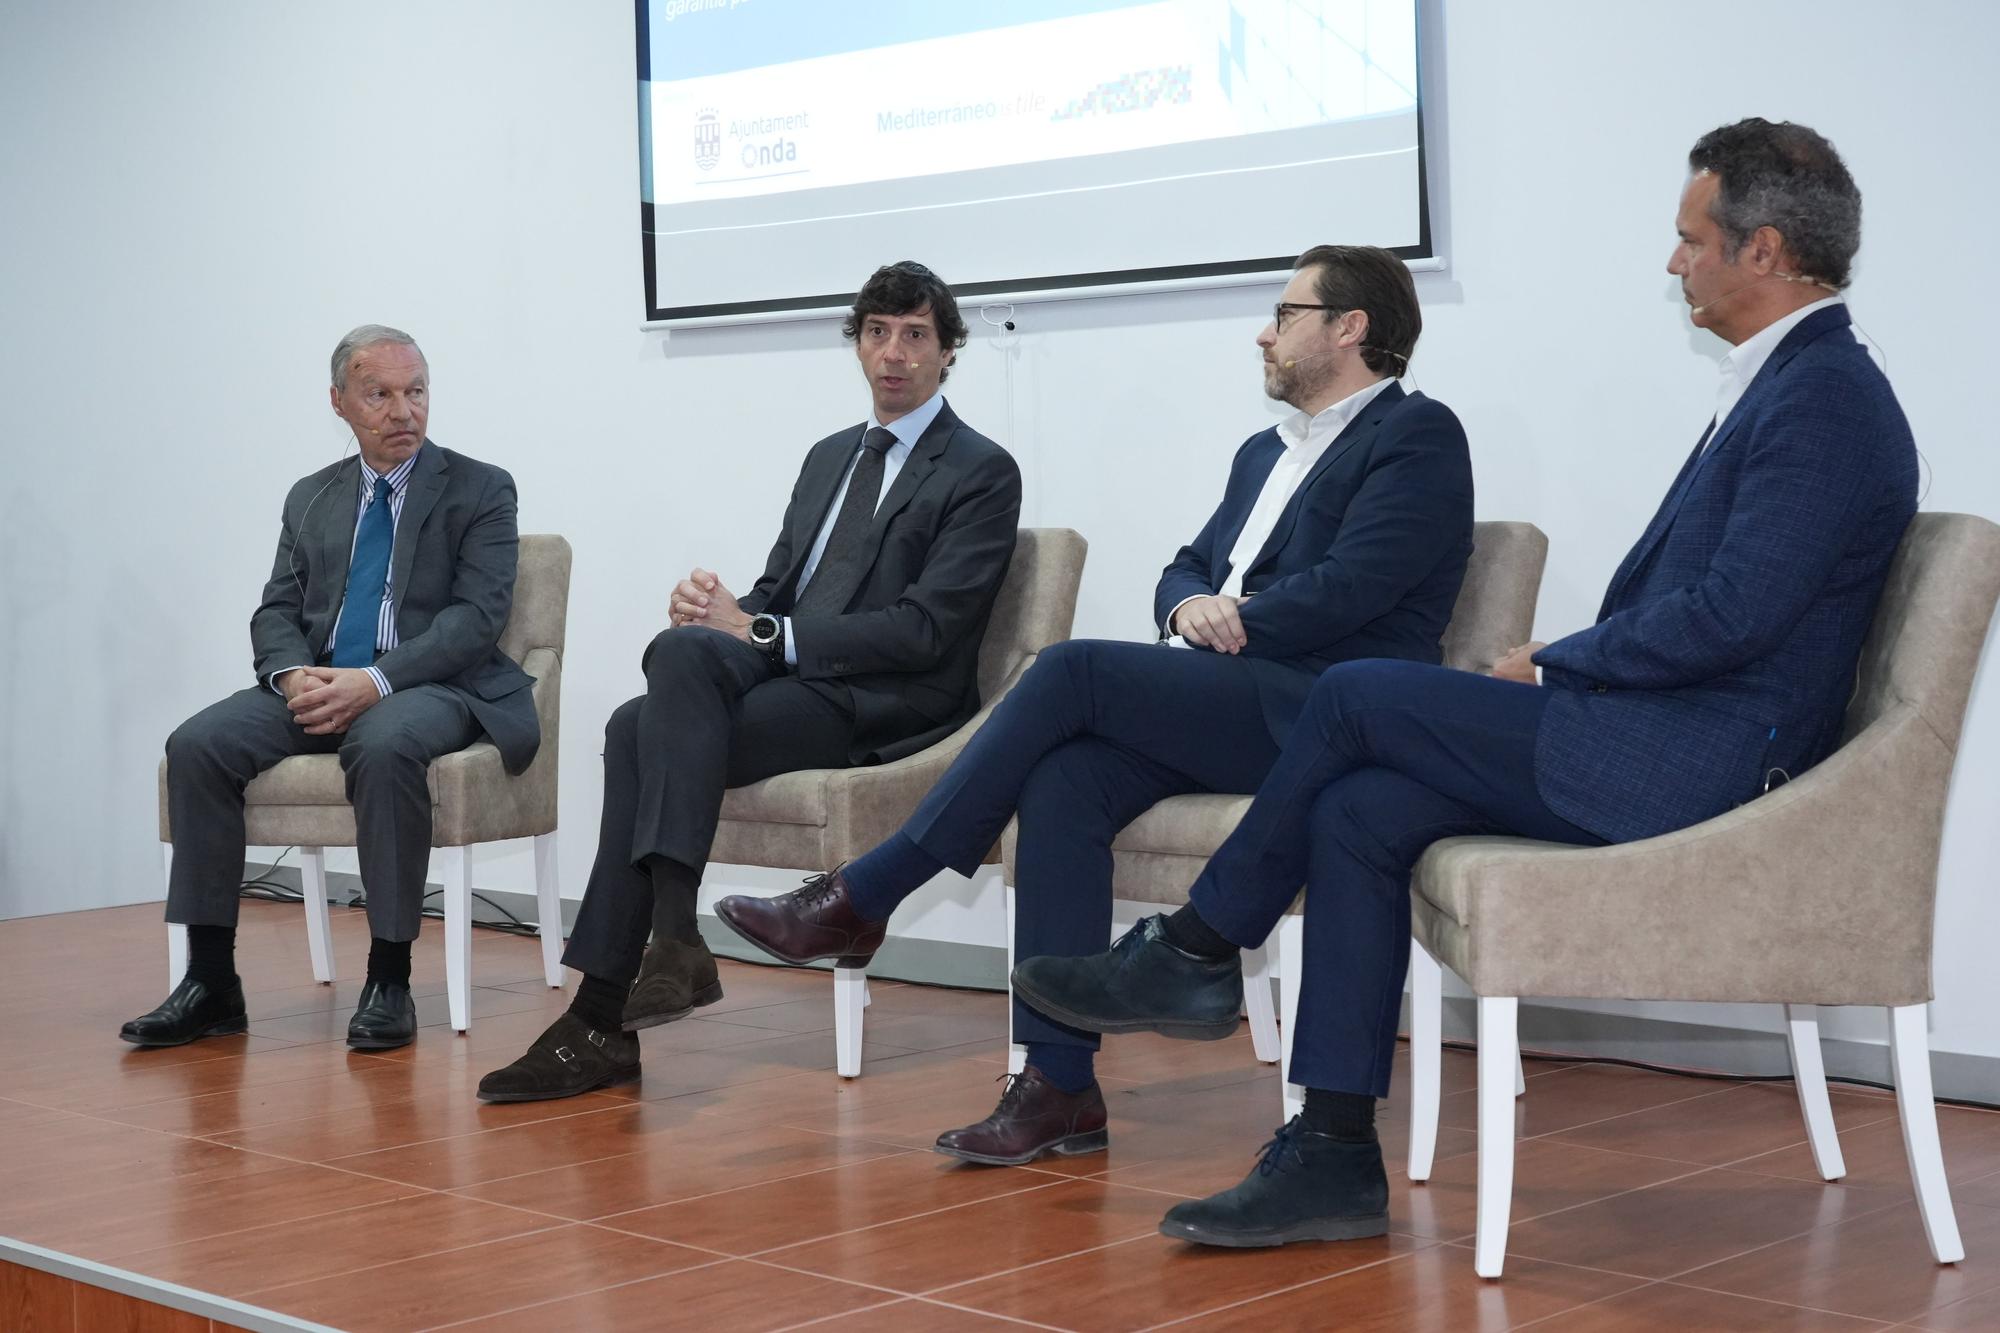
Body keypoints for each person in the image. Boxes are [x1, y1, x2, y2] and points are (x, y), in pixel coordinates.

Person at [1008, 118, 1917, 1248]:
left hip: (1698, 763)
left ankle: (1195, 950)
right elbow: (1711, 605)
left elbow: (1733, 615)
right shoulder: (1784, 384)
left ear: (1763, 249)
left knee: (1357, 692)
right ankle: (1331, 1152)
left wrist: (1555, 659)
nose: (1671, 261)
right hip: (1653, 731)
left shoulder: (1821, 395)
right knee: (1356, 807)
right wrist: (1570, 667)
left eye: (1689, 240)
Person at [716, 245, 1475, 1165]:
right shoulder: (1261, 451)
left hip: (1323, 706)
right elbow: (1185, 564)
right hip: (1233, 691)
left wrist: (1235, 616)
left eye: (1286, 313)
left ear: (1349, 328)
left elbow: (1357, 587)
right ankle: (1058, 1085)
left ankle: (866, 890)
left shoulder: (1418, 436)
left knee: (1072, 671)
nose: (1265, 332)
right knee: (1066, 778)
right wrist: (1188, 603)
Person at [478, 261, 1022, 1102]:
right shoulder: (829, 458)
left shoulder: (981, 470)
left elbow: (926, 631)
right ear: (858, 344)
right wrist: (721, 610)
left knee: (638, 724)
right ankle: (654, 963)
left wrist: (760, 630)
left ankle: (612, 1002)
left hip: (887, 701)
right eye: (877, 332)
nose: (894, 353)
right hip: (801, 680)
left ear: (949, 353)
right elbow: (782, 592)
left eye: (916, 335)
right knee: (664, 678)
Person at [126, 326, 537, 1052]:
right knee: (197, 745)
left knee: (382, 745)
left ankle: (389, 977)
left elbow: (475, 621)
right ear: (339, 402)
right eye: (379, 394)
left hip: (432, 683)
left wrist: (373, 681)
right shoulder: (312, 496)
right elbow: (277, 609)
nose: (403, 410)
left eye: (415, 391)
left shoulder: (480, 487)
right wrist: (293, 676)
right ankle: (212, 980)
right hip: (318, 680)